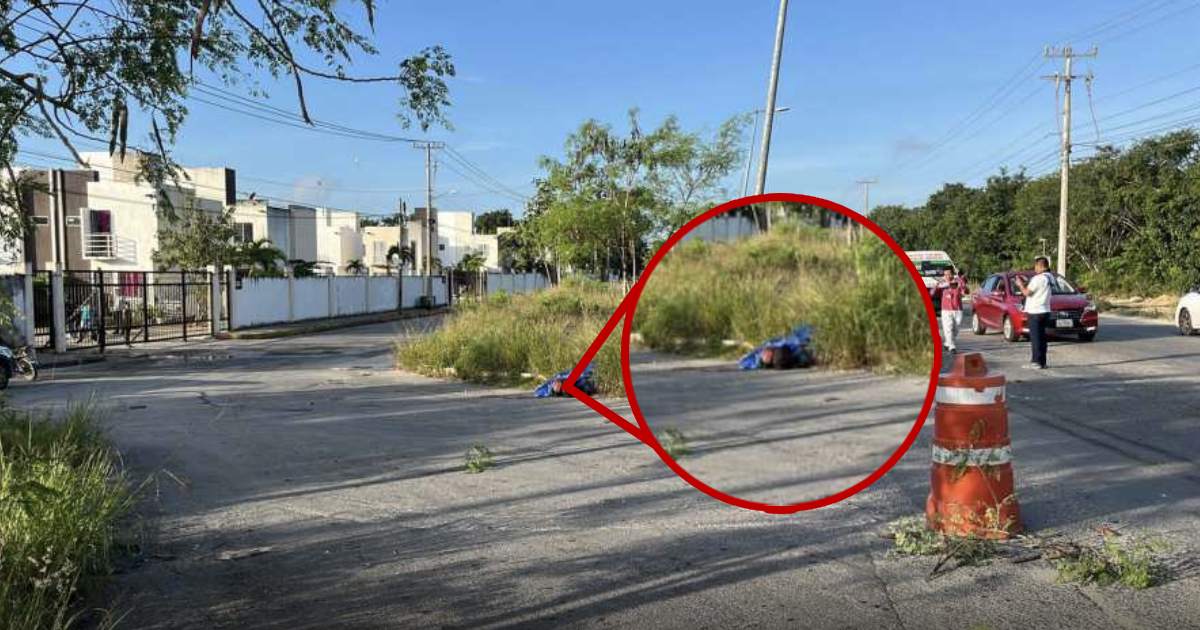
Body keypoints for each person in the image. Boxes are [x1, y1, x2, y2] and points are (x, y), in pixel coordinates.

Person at [1014, 256, 1054, 369]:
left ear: (1040, 266)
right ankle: (1042, 361)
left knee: (1035, 337)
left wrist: (1020, 285)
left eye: (1036, 266)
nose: (1034, 269)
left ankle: (1036, 362)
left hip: (1035, 311)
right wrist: (1027, 282)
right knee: (1042, 337)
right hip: (1045, 310)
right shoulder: (1050, 277)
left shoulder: (1038, 278)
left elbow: (1027, 293)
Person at [936, 267, 968, 353]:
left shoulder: (958, 282)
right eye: (946, 274)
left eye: (949, 274)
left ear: (952, 274)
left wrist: (962, 283)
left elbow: (964, 291)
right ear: (944, 275)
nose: (947, 276)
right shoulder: (941, 283)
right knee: (948, 328)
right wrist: (946, 284)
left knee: (956, 329)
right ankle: (952, 346)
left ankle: (947, 342)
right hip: (946, 309)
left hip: (958, 309)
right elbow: (935, 289)